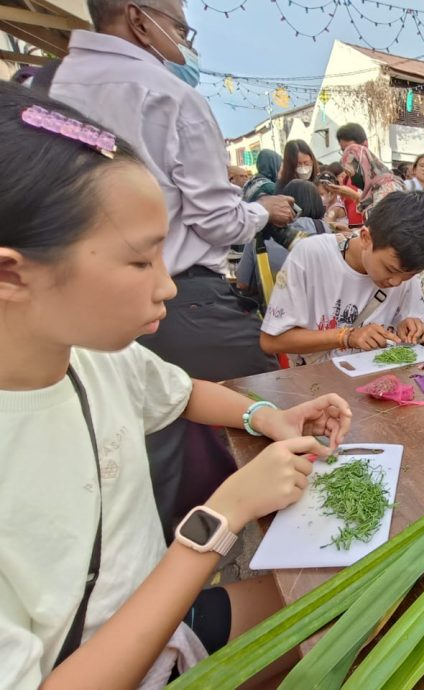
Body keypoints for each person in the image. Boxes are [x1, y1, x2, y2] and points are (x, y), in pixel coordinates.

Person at [0, 81, 352, 689]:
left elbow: (181, 391)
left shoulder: (94, 356)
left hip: (166, 616)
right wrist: (226, 511)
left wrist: (268, 419)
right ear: (12, 272)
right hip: (101, 661)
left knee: (350, 605)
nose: (167, 286)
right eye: (140, 261)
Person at [50, 0, 296, 533]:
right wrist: (256, 210)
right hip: (191, 308)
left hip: (92, 311)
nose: (185, 42)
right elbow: (214, 221)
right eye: (181, 27)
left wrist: (260, 415)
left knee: (141, 433)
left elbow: (176, 391)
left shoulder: (50, 86)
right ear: (141, 19)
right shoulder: (171, 96)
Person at [260, 191, 424, 366]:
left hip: (379, 382)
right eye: (389, 269)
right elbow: (272, 341)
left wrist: (410, 325)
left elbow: (409, 319)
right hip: (320, 386)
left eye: (410, 275)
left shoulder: (404, 267)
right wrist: (346, 337)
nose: (396, 282)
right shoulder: (311, 255)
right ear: (366, 237)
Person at [236, 182, 334, 298]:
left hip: (270, 310)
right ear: (317, 203)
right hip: (312, 309)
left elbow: (242, 283)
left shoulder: (260, 230)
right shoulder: (323, 229)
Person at [336, 122, 404, 214]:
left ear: (365, 145)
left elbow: (385, 224)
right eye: (343, 151)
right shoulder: (370, 187)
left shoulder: (387, 186)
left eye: (351, 150)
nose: (346, 158)